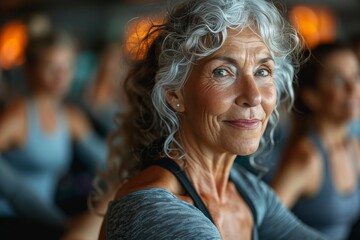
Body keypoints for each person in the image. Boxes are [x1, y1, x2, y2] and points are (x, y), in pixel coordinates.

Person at [98, 0, 326, 239]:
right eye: (223, 72)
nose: (253, 96)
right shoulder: (154, 209)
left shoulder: (243, 190)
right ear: (175, 94)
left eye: (262, 71)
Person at [0, 30, 106, 238]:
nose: (61, 75)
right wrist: (55, 220)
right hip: (9, 219)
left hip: (41, 219)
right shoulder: (19, 114)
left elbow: (109, 159)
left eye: (67, 65)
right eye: (51, 66)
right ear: (31, 70)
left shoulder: (70, 116)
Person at [271, 42, 360, 240]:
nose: (352, 88)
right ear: (313, 97)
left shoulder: (353, 148)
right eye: (338, 79)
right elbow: (262, 224)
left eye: (356, 76)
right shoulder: (307, 158)